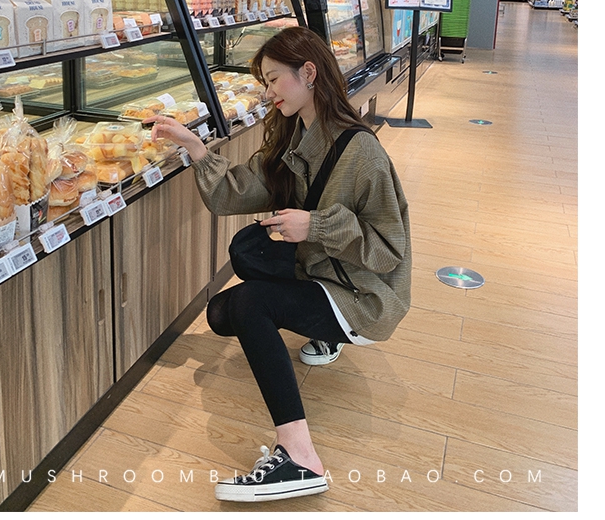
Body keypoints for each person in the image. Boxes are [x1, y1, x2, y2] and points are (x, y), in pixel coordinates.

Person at [146, 26, 411, 503]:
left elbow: (389, 250)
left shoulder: (362, 152)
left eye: (273, 79)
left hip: (365, 295)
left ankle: (300, 456)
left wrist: (317, 226)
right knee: (224, 306)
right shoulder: (296, 135)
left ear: (308, 73)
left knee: (249, 304)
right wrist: (194, 146)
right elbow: (239, 191)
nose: (268, 92)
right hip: (324, 272)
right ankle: (325, 335)